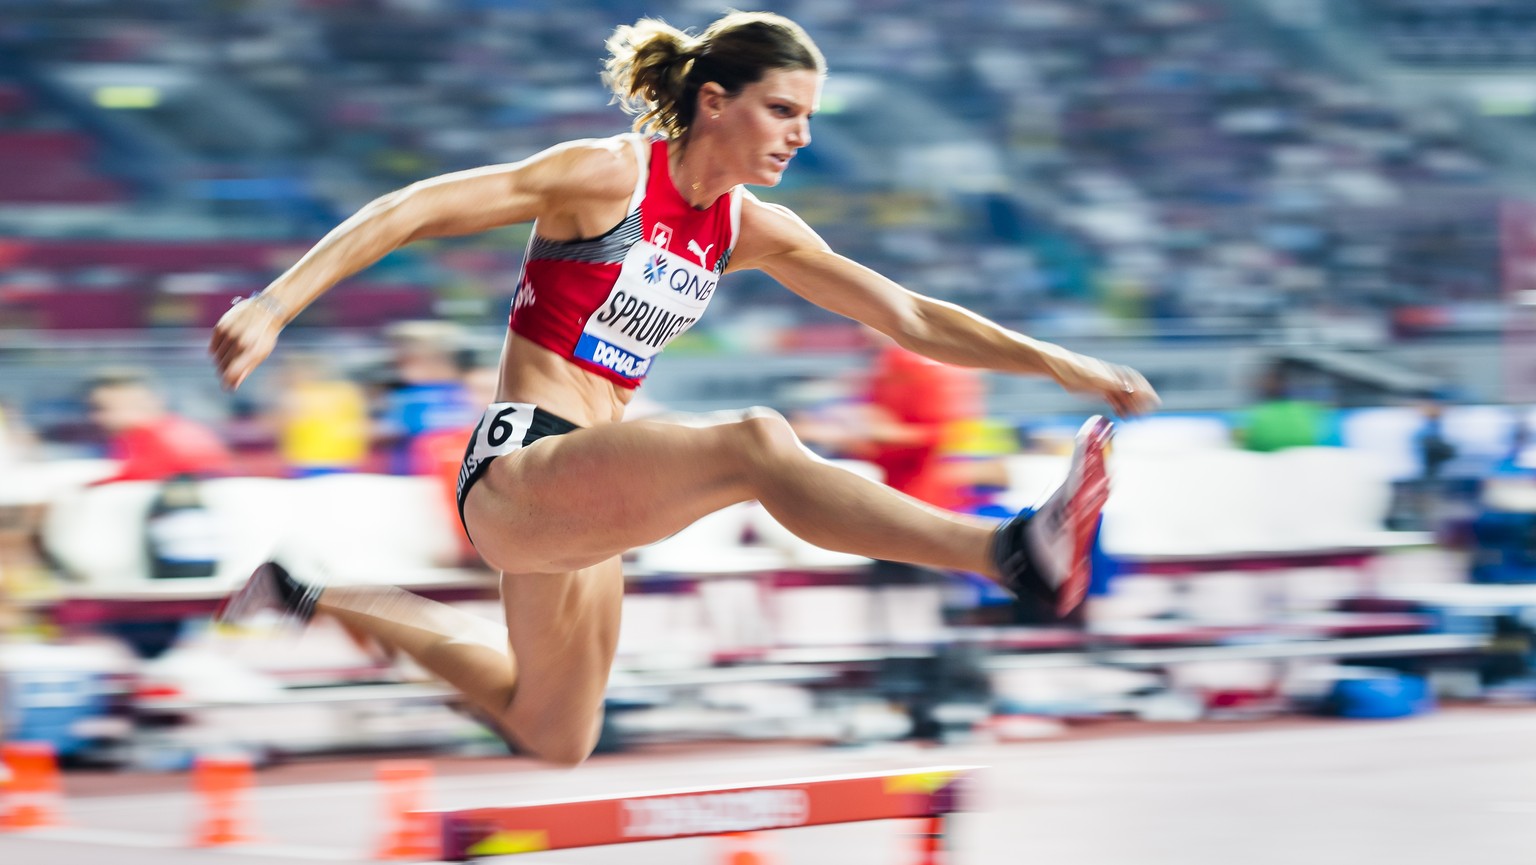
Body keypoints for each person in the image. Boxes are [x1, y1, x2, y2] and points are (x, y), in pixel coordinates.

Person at [210, 11, 1158, 767]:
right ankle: (1010, 554)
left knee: (554, 731)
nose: (803, 134)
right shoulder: (605, 175)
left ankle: (306, 591)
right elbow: (411, 206)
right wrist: (276, 302)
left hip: (589, 500)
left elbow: (908, 317)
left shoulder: (750, 227)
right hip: (520, 468)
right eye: (784, 110)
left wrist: (1060, 361)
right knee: (755, 442)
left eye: (810, 116)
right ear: (714, 101)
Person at [84, 370, 233, 484]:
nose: (97, 418)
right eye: (95, 409)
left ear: (151, 401)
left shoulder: (171, 436)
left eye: (106, 408)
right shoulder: (130, 438)